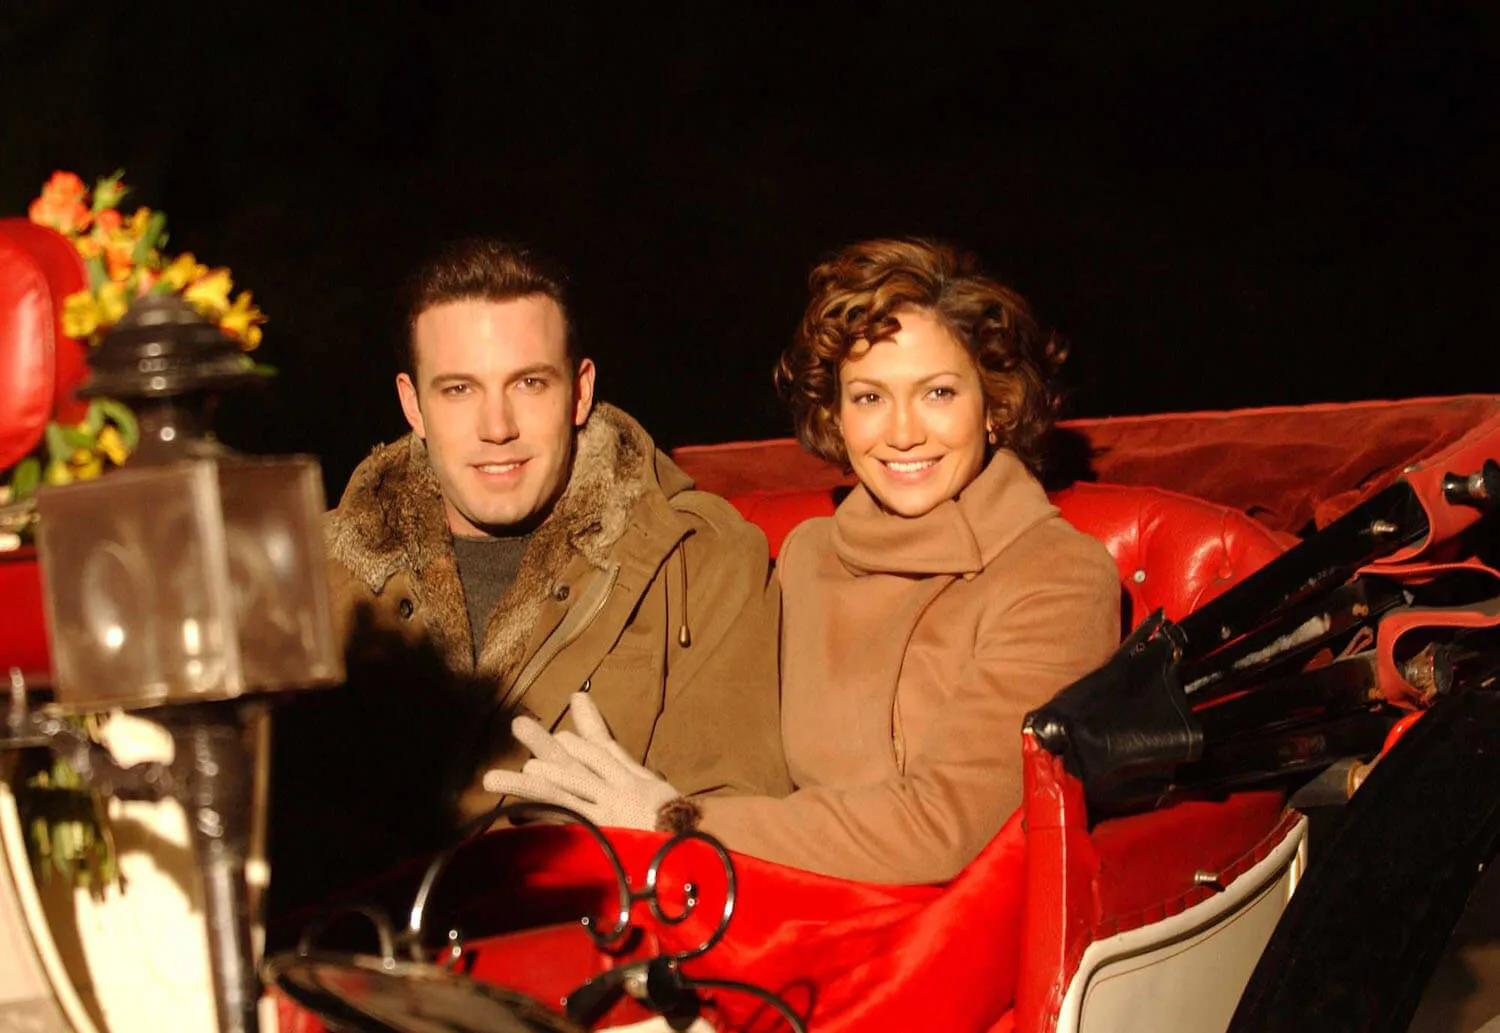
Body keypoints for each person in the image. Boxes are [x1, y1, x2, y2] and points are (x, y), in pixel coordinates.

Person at [484, 238, 1121, 884]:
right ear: (836, 415)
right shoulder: (811, 556)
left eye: (937, 393)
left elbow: (941, 827)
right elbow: (748, 765)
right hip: (778, 899)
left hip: (937, 933)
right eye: (870, 398)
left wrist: (672, 821)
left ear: (995, 406)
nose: (902, 432)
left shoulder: (1059, 576)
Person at [269, 239, 790, 921]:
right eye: (459, 389)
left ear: (580, 391)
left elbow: (740, 839)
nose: (497, 428)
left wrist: (661, 816)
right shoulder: (319, 573)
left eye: (529, 383)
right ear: (413, 404)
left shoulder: (698, 557)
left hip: (595, 971)